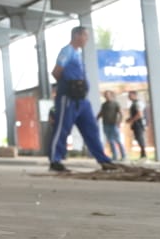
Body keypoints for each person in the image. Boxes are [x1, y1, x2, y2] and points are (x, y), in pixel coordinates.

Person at [48, 26, 116, 172]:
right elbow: (56, 72)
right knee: (62, 129)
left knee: (91, 128)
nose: (87, 39)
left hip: (82, 101)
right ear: (77, 35)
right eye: (85, 35)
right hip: (68, 99)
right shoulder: (67, 51)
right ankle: (55, 160)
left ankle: (104, 160)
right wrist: (68, 87)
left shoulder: (78, 53)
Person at [98, 90, 126, 161]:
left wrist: (119, 122)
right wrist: (95, 119)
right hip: (106, 125)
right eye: (105, 95)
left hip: (114, 125)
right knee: (110, 141)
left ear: (111, 95)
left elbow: (121, 113)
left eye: (108, 95)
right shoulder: (104, 105)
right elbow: (101, 113)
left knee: (118, 140)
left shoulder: (116, 104)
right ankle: (115, 156)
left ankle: (123, 156)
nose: (106, 96)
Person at [127, 91, 147, 160]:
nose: (129, 97)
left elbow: (139, 114)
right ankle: (142, 154)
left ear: (134, 95)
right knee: (138, 138)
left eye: (130, 95)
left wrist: (131, 120)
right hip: (136, 123)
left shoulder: (138, 103)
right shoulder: (133, 104)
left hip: (139, 123)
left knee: (140, 138)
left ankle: (143, 155)